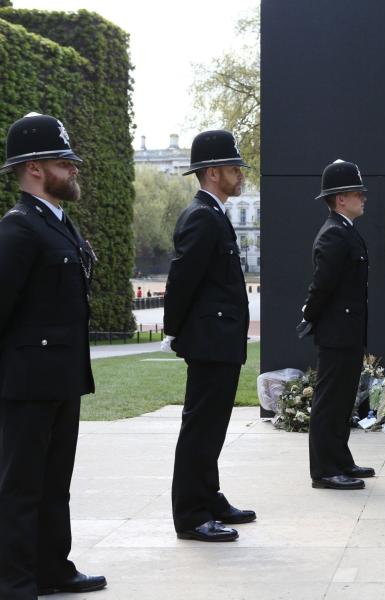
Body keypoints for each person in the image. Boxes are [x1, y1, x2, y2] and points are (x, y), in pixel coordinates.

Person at [0, 112, 106, 597]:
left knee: (54, 481)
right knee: (20, 486)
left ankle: (52, 567)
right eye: (65, 161)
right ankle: (16, 580)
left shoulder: (58, 224)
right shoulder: (19, 228)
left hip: (61, 375)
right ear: (35, 168)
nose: (74, 169)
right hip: (26, 380)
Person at [161, 130, 255, 542]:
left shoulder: (214, 214)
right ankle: (191, 513)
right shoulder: (201, 216)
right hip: (209, 339)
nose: (241, 174)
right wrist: (173, 330)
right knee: (201, 427)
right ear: (214, 172)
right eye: (235, 168)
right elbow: (182, 279)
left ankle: (209, 497)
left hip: (220, 338)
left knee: (213, 426)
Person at [302, 159, 376, 491]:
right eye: (358, 193)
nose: (364, 197)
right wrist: (310, 315)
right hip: (335, 331)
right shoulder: (334, 234)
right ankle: (324, 469)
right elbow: (322, 286)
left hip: (347, 331)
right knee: (330, 401)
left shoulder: (345, 230)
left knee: (344, 399)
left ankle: (340, 459)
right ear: (341, 199)